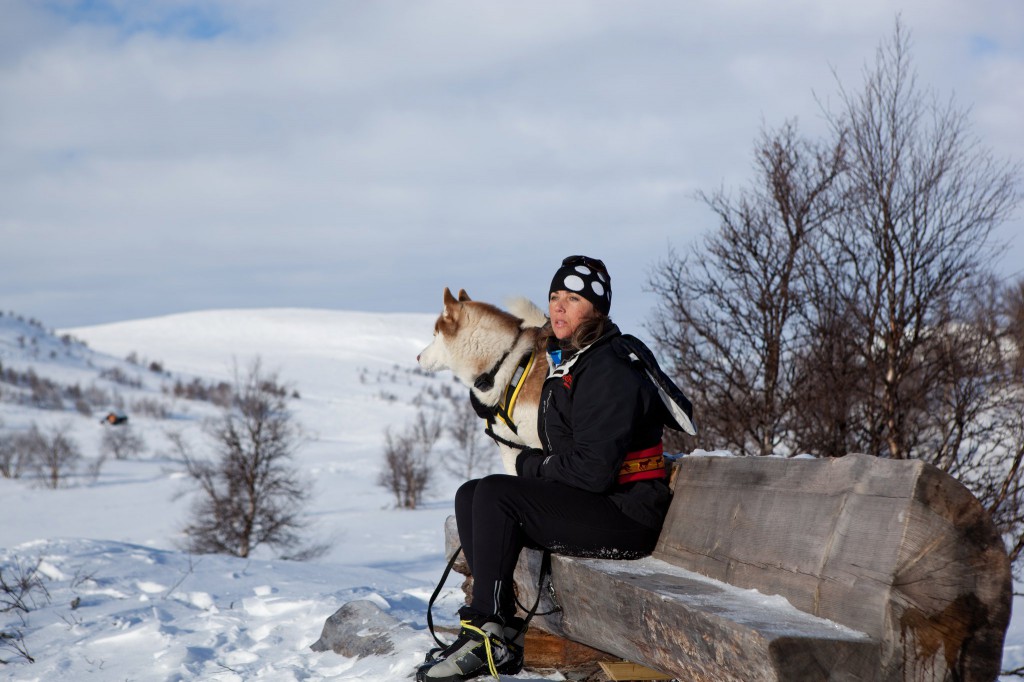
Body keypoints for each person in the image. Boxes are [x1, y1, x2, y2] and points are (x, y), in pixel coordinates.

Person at [417, 255, 676, 682]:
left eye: (572, 299)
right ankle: (494, 630)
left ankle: (488, 631)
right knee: (472, 493)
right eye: (555, 296)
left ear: (596, 309)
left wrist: (531, 466)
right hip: (597, 501)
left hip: (627, 513)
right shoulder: (572, 362)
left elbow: (592, 471)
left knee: (499, 495)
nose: (557, 307)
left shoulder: (609, 368)